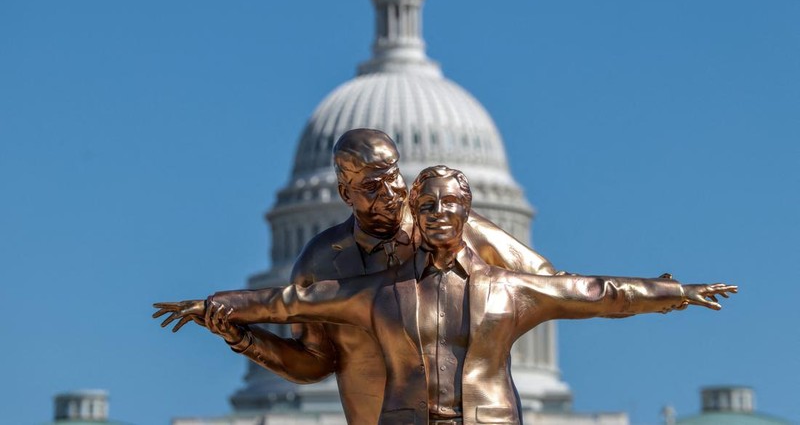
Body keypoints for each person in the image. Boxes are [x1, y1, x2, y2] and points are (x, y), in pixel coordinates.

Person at [155, 166, 736, 425]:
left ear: (469, 214)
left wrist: (675, 292)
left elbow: (599, 293)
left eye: (449, 206)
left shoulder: (509, 289)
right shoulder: (379, 292)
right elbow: (292, 301)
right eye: (427, 205)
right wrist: (217, 307)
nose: (436, 215)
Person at [156, 129, 558, 424]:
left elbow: (545, 283)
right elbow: (314, 363)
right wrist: (242, 337)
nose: (390, 194)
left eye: (393, 176)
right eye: (371, 186)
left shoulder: (452, 228)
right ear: (345, 193)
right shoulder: (320, 263)